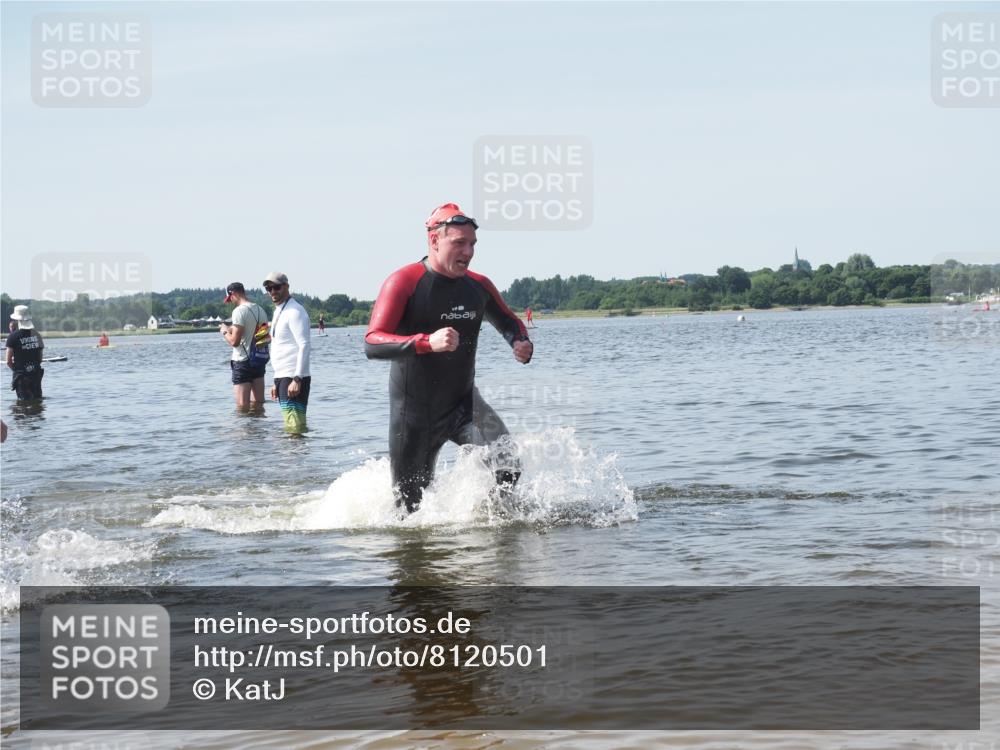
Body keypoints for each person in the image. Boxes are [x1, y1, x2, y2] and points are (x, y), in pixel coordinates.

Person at [365, 202, 533, 513]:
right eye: (459, 243)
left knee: (508, 465)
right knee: (408, 510)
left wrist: (520, 341)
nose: (468, 252)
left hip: (464, 405)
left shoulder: (478, 286)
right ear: (434, 241)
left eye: (472, 245)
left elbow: (509, 321)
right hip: (413, 416)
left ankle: (490, 529)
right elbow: (373, 342)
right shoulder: (404, 282)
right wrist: (426, 343)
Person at [263, 272, 311, 433]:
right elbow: (281, 345)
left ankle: (295, 457)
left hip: (293, 377)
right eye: (269, 288)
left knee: (294, 427)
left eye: (276, 287)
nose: (272, 292)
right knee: (291, 425)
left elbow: (304, 345)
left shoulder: (295, 311)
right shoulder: (279, 311)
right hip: (283, 377)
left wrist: (297, 378)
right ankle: (292, 457)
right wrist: (275, 380)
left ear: (286, 287)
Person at [220, 282, 270, 409]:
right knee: (259, 404)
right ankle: (259, 428)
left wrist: (224, 331)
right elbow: (260, 335)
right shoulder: (260, 310)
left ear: (233, 294)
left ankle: (244, 429)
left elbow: (234, 342)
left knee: (242, 408)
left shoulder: (238, 311)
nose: (231, 301)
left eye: (230, 298)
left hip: (242, 362)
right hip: (258, 360)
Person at [5, 305, 44, 401]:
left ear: (17, 320)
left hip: (22, 377)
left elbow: (8, 361)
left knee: (23, 405)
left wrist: (17, 370)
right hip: (36, 374)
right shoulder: (37, 335)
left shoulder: (12, 337)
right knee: (38, 401)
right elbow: (40, 359)